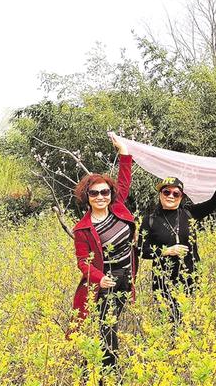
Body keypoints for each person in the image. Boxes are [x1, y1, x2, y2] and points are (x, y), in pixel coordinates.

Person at [71, 132, 136, 370]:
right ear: (87, 196)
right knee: (107, 325)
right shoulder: (82, 228)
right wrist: (100, 278)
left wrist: (124, 152)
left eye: (104, 192)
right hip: (105, 281)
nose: (100, 197)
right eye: (94, 193)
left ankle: (96, 367)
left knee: (110, 323)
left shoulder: (118, 207)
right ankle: (107, 373)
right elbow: (83, 262)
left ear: (110, 195)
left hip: (126, 277)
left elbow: (124, 181)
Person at [138, 162, 216, 323]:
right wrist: (166, 251)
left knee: (190, 322)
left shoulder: (189, 213)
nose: (170, 196)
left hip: (190, 277)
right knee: (169, 321)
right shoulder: (150, 220)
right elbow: (141, 250)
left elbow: (213, 203)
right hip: (163, 281)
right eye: (166, 192)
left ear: (181, 197)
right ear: (160, 194)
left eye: (176, 194)